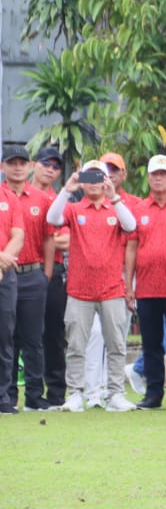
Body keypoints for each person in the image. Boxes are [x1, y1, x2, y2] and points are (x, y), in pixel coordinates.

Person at [46, 160, 137, 412]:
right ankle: (76, 393)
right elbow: (52, 218)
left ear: (107, 180)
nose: (94, 183)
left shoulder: (116, 207)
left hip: (112, 289)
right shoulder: (75, 209)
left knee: (116, 344)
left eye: (99, 177)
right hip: (79, 290)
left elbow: (131, 226)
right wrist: (67, 189)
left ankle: (115, 393)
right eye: (89, 177)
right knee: (76, 345)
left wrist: (114, 197)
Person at [125, 155, 166, 411]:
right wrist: (129, 285)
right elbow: (132, 248)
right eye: (154, 174)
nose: (158, 178)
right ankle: (153, 394)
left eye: (163, 174)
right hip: (146, 287)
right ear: (148, 177)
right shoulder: (139, 209)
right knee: (151, 343)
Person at [2, 146, 54, 411]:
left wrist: (46, 274)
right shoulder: (4, 195)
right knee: (6, 337)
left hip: (31, 274)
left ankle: (34, 395)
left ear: (30, 166)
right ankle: (8, 396)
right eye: (12, 163)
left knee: (33, 338)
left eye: (22, 162)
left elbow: (47, 237)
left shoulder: (41, 199)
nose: (17, 167)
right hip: (6, 274)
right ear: (3, 167)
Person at [31, 147, 68, 408]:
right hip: (18, 268)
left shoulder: (60, 201)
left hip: (52, 270)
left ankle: (55, 393)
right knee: (17, 334)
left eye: (55, 167)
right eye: (46, 164)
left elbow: (68, 239)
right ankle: (15, 393)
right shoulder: (14, 195)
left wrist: (43, 239)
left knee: (54, 333)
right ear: (34, 165)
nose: (50, 170)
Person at [0, 174, 25, 414]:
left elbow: (18, 235)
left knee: (4, 335)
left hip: (5, 275)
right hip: (3, 265)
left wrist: (1, 266)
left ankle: (2, 396)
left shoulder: (9, 197)